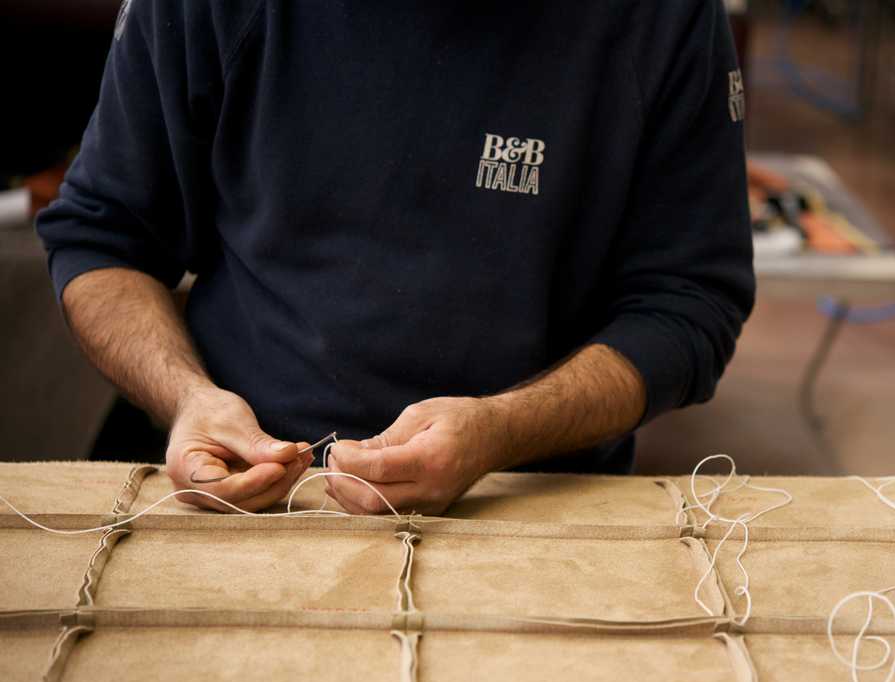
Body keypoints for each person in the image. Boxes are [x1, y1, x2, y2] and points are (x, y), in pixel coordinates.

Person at [37, 0, 754, 514]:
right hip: (246, 494)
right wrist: (188, 398)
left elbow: (689, 301)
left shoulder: (661, 20)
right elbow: (103, 238)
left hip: (528, 502)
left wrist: (503, 430)